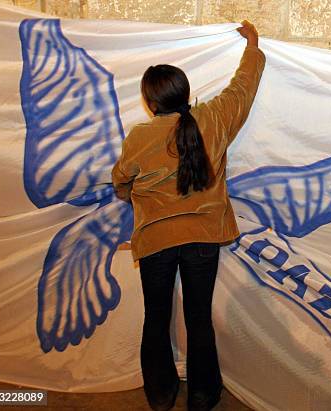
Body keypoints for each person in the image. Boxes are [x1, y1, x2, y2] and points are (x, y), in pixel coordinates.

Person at [111, 20, 265, 411]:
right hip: (204, 240)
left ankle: (161, 395)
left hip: (155, 243)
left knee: (156, 318)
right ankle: (202, 395)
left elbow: (120, 181)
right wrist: (253, 43)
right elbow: (244, 85)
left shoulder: (138, 137)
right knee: (199, 319)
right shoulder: (214, 119)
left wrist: (135, 200)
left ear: (151, 103)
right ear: (185, 93)